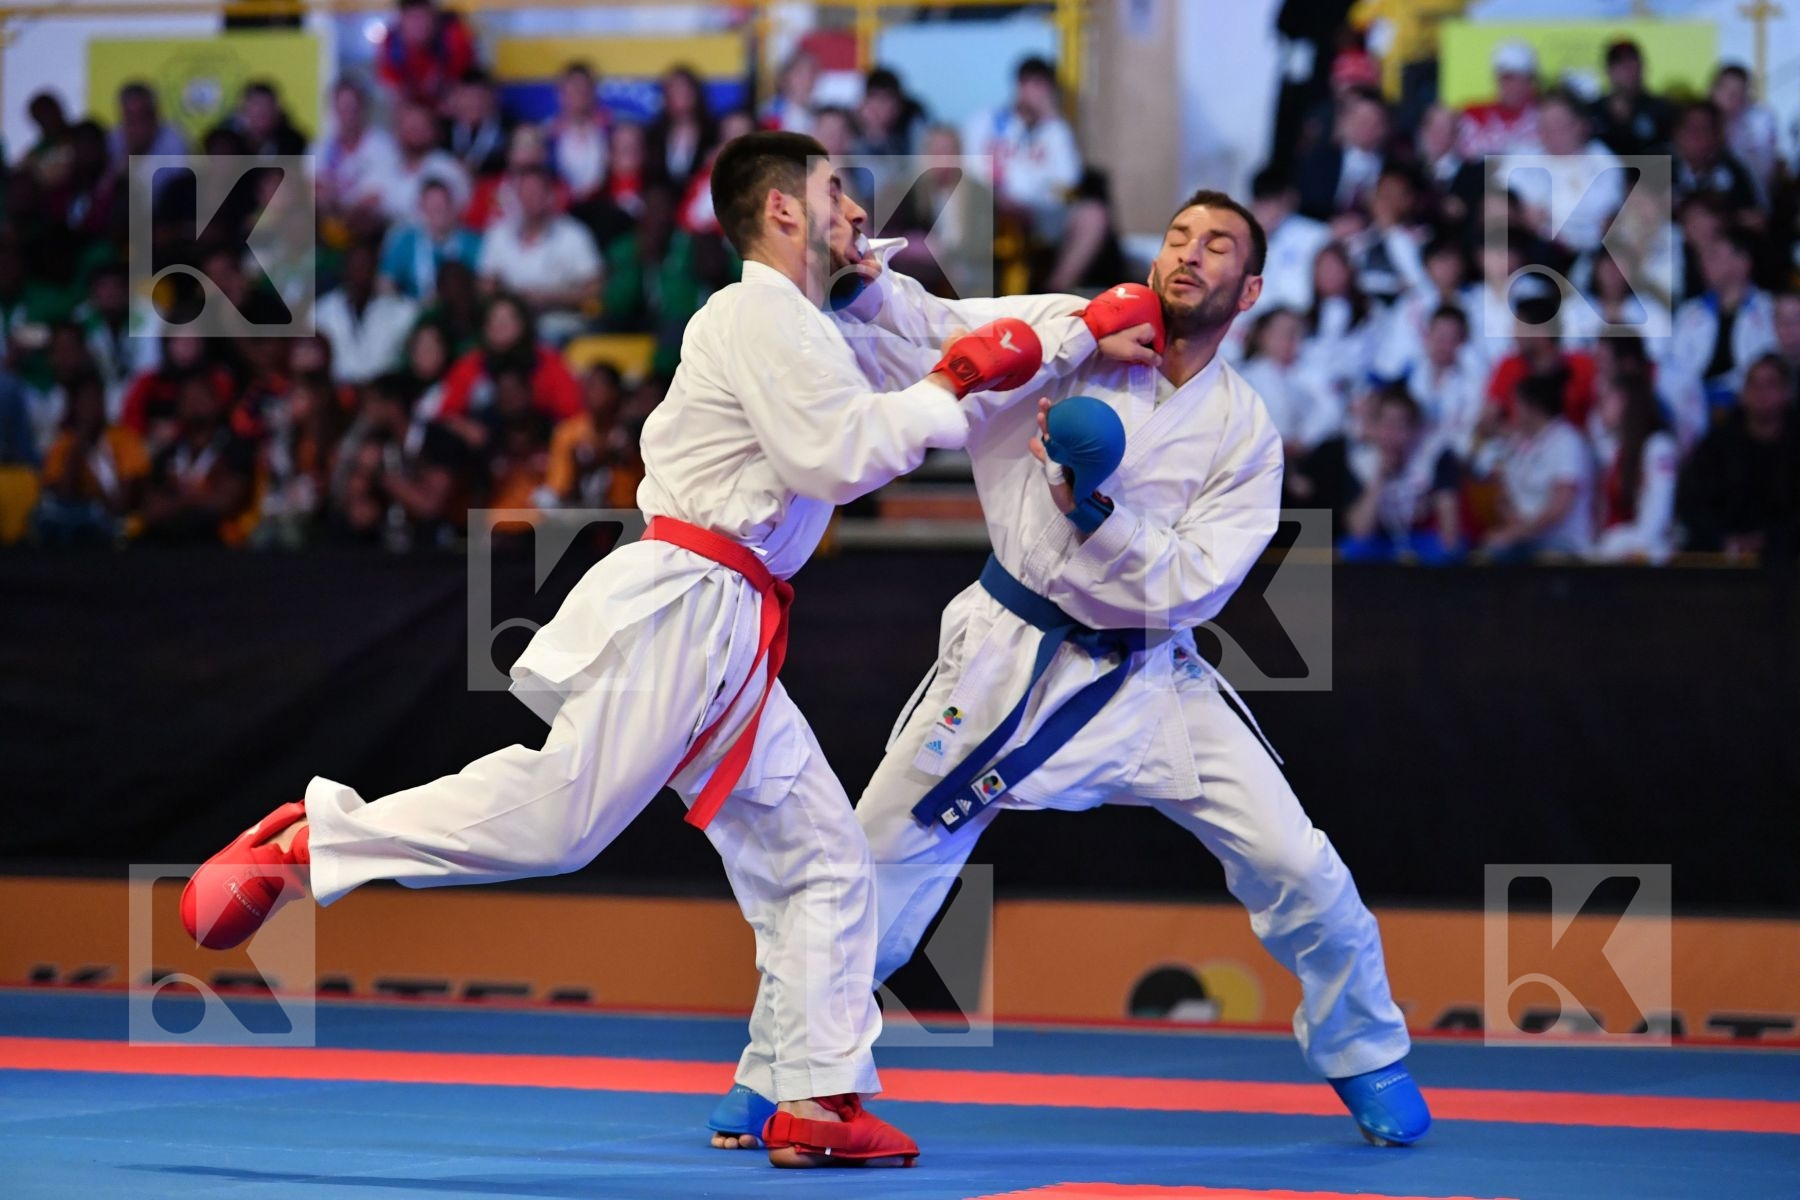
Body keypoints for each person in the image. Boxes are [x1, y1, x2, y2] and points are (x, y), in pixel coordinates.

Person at [179, 131, 1115, 1169]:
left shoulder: (813, 318)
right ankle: (315, 840)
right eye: (837, 190)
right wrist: (949, 388)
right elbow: (838, 451)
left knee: (826, 860)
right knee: (564, 822)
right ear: (785, 213)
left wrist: (1092, 327)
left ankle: (816, 1098)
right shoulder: (753, 311)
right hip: (688, 604)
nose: (859, 209)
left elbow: (950, 335)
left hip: (732, 626)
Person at [714, 189, 1431, 1152]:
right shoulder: (1070, 330)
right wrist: (867, 287)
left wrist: (1097, 512)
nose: (1189, 254)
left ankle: (1368, 1055)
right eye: (1177, 234)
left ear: (1251, 288)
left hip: (1148, 676)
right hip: (1007, 657)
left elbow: (1197, 583)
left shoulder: (1244, 432)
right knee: (873, 867)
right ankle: (775, 1070)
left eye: (1217, 246)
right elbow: (941, 330)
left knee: (1298, 863)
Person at [1676, 354, 1800, 561]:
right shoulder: (1720, 441)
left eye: (1770, 384)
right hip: (1723, 554)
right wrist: (1725, 539)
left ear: (1786, 392)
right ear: (1743, 392)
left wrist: (1770, 540)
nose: (1761, 393)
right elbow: (1691, 500)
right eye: (1754, 384)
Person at [1339, 387, 1464, 564]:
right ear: (1375, 428)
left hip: (1424, 541)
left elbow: (1450, 533)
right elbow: (1360, 530)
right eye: (1385, 424)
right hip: (1383, 543)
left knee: (1450, 553)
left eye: (1400, 425)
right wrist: (1379, 478)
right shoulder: (1361, 462)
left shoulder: (1435, 456)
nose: (1391, 434)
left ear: (1413, 430)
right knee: (1350, 550)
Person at [1484, 374, 1594, 559]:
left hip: (1562, 542)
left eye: (1517, 404)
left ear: (1532, 407)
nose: (1514, 411)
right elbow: (1504, 497)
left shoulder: (1567, 442)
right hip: (1525, 539)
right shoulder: (1519, 443)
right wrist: (1514, 525)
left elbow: (1560, 505)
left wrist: (1517, 533)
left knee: (1499, 554)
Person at [1590, 366, 1678, 563]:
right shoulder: (1613, 449)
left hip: (1641, 560)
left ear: (1623, 400)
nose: (1599, 407)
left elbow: (1656, 519)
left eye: (1604, 399)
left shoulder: (1658, 447)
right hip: (1613, 553)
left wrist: (1613, 547)